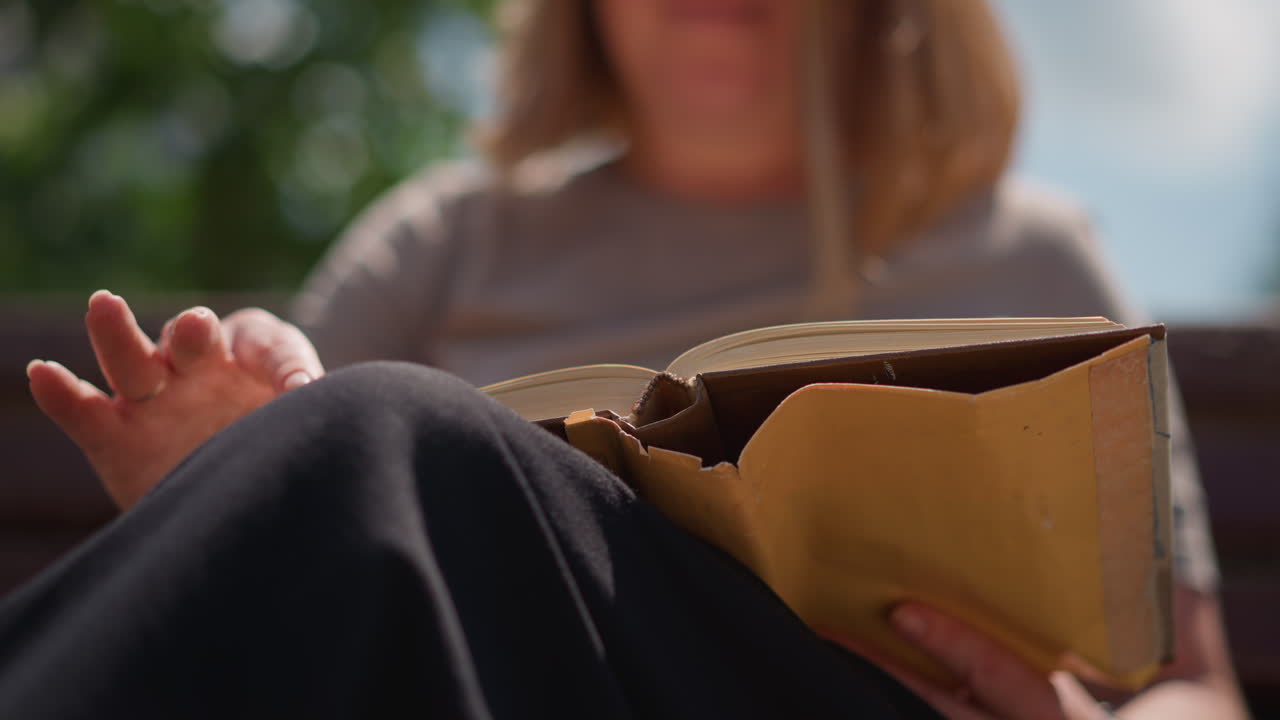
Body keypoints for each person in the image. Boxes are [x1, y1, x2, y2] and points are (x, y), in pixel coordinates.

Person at [9, 0, 1248, 717]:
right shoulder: (445, 239)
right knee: (383, 449)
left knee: (401, 438)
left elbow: (1199, 692)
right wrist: (230, 494)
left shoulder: (1027, 258)